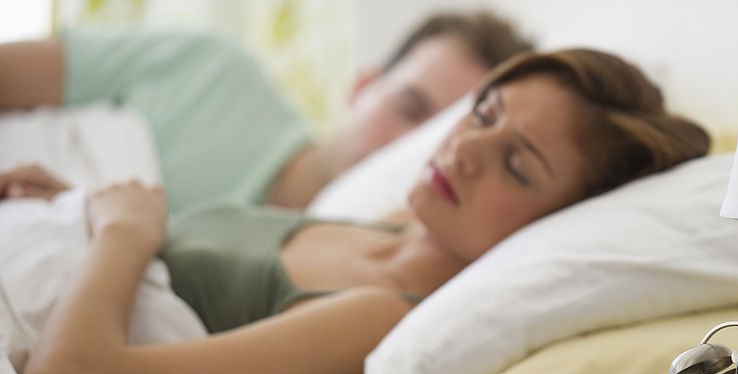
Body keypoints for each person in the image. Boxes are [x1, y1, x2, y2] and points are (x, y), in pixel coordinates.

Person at [6, 49, 711, 374]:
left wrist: (122, 235)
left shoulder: (378, 317)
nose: (465, 147)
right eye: (487, 112)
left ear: (556, 224)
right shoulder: (388, 223)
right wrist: (79, 207)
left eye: (517, 167)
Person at [0, 11, 534, 212]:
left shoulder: (324, 283)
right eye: (409, 108)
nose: (405, 149)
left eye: (432, 139)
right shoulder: (209, 68)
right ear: (363, 86)